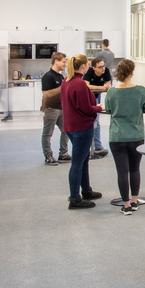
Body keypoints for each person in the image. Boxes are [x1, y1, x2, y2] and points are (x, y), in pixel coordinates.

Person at [105, 59, 145, 216]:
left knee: (122, 171)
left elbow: (108, 110)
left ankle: (125, 205)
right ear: (132, 72)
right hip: (136, 136)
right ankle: (134, 200)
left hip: (117, 137)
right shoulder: (141, 91)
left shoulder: (111, 92)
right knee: (134, 169)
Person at [61, 54, 104, 210]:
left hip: (71, 126)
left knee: (83, 159)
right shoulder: (79, 83)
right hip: (81, 127)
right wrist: (99, 107)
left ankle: (86, 190)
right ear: (83, 66)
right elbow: (85, 108)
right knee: (78, 163)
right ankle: (74, 198)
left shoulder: (66, 81)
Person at [40, 51, 70, 166]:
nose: (65, 64)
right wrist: (61, 88)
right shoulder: (48, 76)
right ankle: (48, 156)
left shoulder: (60, 76)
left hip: (61, 108)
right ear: (56, 61)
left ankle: (63, 154)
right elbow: (46, 93)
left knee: (66, 130)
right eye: (63, 62)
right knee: (47, 133)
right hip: (51, 108)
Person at [83, 56, 111, 159]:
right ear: (94, 68)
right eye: (100, 67)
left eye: (103, 66)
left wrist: (103, 87)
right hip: (86, 97)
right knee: (90, 121)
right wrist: (101, 87)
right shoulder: (89, 72)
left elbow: (108, 85)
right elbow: (86, 86)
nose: (103, 69)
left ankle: (97, 146)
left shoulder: (106, 71)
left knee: (96, 121)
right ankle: (88, 147)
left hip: (96, 96)